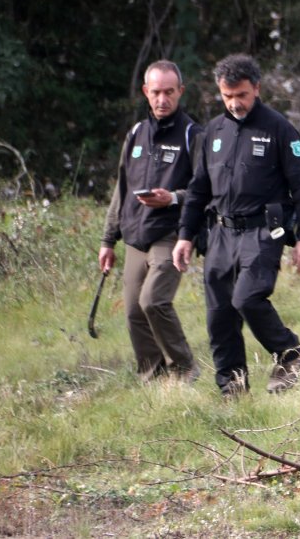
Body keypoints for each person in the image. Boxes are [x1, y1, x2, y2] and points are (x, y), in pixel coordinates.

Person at [171, 54, 300, 397]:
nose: (234, 103)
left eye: (241, 95)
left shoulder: (279, 129)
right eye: (227, 96)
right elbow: (198, 189)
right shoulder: (212, 132)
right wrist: (185, 236)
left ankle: (290, 353)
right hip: (220, 233)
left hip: (263, 231)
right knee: (219, 316)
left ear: (256, 88)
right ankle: (233, 390)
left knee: (247, 298)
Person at [99, 60, 202, 383]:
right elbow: (122, 188)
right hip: (134, 235)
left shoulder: (191, 134)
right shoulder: (135, 134)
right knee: (133, 312)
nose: (162, 99)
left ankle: (184, 371)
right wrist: (107, 240)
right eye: (156, 92)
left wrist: (172, 198)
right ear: (146, 92)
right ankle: (153, 379)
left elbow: (205, 189)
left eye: (169, 92)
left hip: (171, 234)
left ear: (180, 92)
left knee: (153, 301)